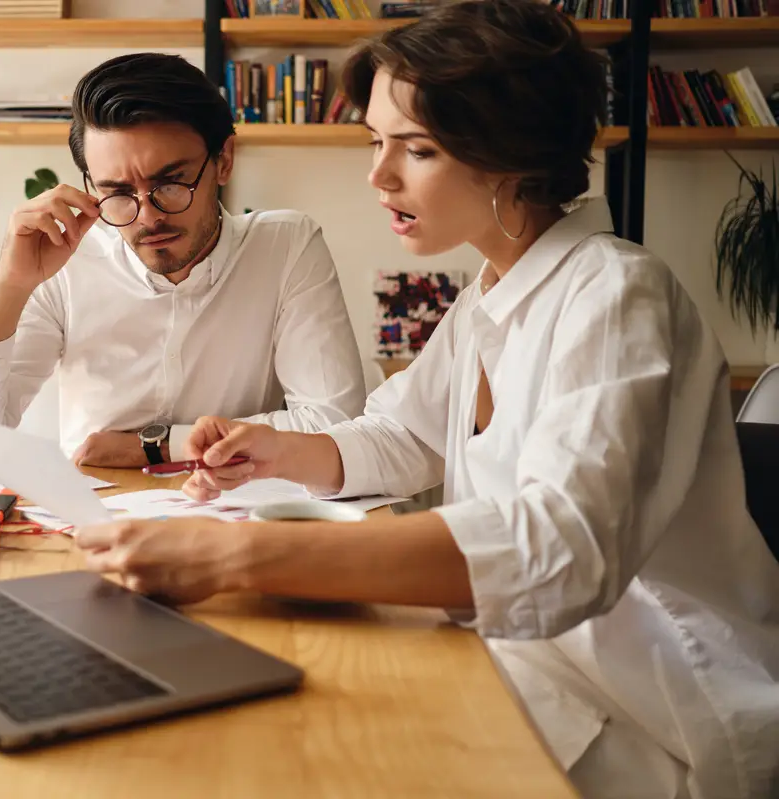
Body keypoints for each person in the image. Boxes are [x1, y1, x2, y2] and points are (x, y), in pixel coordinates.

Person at [73, 3, 779, 797]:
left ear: (510, 153)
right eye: (376, 143)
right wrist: (270, 448)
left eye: (417, 149)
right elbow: (399, 436)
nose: (378, 175)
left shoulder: (614, 294)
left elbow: (558, 546)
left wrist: (233, 555)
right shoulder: (489, 297)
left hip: (660, 715)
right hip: (527, 663)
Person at [0, 53, 365, 471]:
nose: (150, 216)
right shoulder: (66, 264)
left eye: (171, 183)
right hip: (94, 527)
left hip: (238, 525)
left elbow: (335, 429)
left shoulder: (286, 247)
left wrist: (151, 447)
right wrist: (9, 284)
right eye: (116, 192)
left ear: (224, 160)